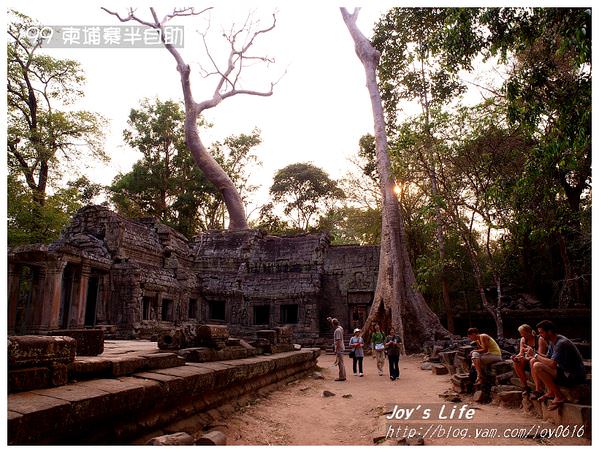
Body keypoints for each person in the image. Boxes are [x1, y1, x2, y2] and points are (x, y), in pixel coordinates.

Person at [527, 320, 586, 410]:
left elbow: (552, 364)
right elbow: (547, 357)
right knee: (533, 361)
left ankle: (559, 396)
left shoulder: (561, 343)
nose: (540, 335)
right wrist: (534, 353)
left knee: (537, 366)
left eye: (541, 332)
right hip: (563, 371)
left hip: (573, 375)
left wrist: (535, 355)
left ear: (549, 331)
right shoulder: (552, 341)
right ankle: (549, 391)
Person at [511, 324, 549, 393]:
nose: (522, 335)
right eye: (521, 334)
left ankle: (538, 389)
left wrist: (528, 356)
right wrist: (517, 357)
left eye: (523, 333)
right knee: (516, 362)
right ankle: (525, 386)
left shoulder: (539, 340)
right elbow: (521, 353)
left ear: (529, 332)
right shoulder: (523, 339)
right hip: (528, 359)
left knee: (532, 360)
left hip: (538, 360)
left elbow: (540, 356)